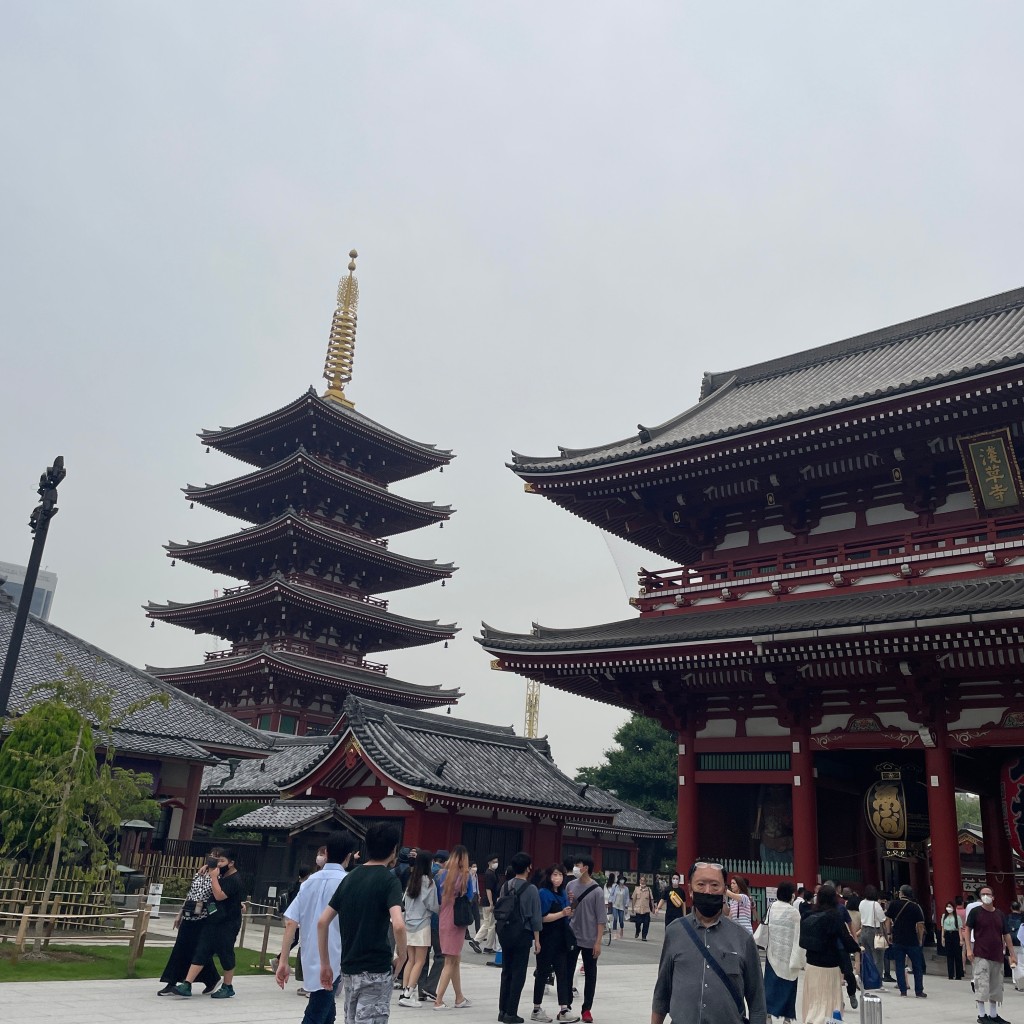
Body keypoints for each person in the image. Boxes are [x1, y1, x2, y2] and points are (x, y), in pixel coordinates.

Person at [652, 860, 766, 1024]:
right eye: (701, 884)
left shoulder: (743, 938)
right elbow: (662, 993)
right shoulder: (674, 932)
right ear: (690, 890)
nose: (708, 891)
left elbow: (757, 1003)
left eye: (714, 885)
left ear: (724, 890)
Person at [317, 822, 406, 1024]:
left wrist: (325, 965)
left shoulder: (350, 877)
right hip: (376, 968)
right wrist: (403, 955)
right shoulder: (389, 880)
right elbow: (398, 924)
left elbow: (322, 922)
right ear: (394, 850)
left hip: (349, 966)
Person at [276, 829, 359, 1024]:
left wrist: (283, 960)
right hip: (335, 956)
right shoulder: (348, 882)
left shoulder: (308, 883)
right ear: (348, 856)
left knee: (325, 1008)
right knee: (317, 1012)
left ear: (326, 853)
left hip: (310, 953)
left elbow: (291, 923)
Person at [175, 847, 245, 1000]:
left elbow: (219, 896)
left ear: (231, 863)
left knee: (225, 953)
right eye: (217, 860)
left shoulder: (235, 879)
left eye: (222, 861)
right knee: (202, 949)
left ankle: (228, 986)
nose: (219, 864)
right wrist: (208, 867)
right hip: (213, 920)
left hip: (228, 923)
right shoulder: (221, 874)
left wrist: (213, 877)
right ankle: (187, 984)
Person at [157, 847, 223, 996]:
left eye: (216, 857)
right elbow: (191, 893)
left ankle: (182, 981)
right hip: (189, 914)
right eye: (211, 855)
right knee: (182, 947)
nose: (212, 858)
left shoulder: (219, 877)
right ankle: (175, 981)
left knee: (196, 950)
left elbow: (218, 897)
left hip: (203, 917)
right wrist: (180, 913)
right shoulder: (199, 873)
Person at [798, 883, 860, 1024]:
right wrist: (856, 948)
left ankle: (811, 1019)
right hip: (830, 965)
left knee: (814, 998)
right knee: (829, 1000)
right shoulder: (835, 916)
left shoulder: (809, 914)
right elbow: (844, 937)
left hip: (812, 964)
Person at [496, 851, 542, 1024]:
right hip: (522, 934)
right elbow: (535, 918)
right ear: (528, 867)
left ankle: (502, 1010)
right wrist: (537, 940)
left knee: (506, 971)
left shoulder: (506, 886)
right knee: (518, 973)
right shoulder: (531, 889)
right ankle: (511, 1012)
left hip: (505, 933)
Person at [531, 863, 578, 1024]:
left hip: (561, 939)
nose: (557, 878)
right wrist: (561, 913)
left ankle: (564, 1008)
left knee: (562, 973)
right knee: (542, 973)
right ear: (549, 876)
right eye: (554, 875)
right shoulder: (543, 893)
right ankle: (536, 1008)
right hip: (547, 938)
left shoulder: (564, 893)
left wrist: (570, 910)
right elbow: (542, 918)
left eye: (560, 875)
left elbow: (567, 917)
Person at [964, 884, 1017, 1024]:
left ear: (993, 897)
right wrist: (969, 948)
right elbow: (967, 929)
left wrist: (1012, 954)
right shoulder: (975, 912)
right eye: (983, 894)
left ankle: (993, 1014)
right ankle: (982, 1015)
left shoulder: (999, 914)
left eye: (988, 894)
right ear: (980, 897)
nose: (986, 896)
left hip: (997, 954)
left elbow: (1006, 934)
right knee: (982, 984)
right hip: (981, 953)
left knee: (996, 986)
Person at [433, 844, 474, 1009]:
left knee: (455, 958)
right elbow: (470, 896)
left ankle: (459, 997)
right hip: (457, 919)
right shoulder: (465, 876)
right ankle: (439, 1000)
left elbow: (437, 896)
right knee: (450, 961)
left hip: (444, 917)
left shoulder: (441, 875)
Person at [566, 857, 605, 1024]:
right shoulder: (570, 885)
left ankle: (586, 1009)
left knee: (590, 975)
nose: (575, 868)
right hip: (573, 935)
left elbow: (601, 919)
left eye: (577, 865)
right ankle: (565, 1005)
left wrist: (598, 942)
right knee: (567, 971)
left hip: (590, 938)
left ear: (586, 868)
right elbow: (567, 909)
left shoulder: (597, 890)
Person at [399, 851, 439, 1007]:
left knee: (411, 960)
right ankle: (409, 994)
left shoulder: (412, 880)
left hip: (409, 923)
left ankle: (404, 992)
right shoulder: (429, 882)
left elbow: (405, 903)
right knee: (420, 961)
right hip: (422, 924)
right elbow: (432, 905)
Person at [763, 882, 802, 1024]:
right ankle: (787, 1018)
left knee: (770, 986)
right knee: (789, 987)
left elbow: (765, 926)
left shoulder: (771, 907)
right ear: (790, 894)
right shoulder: (794, 912)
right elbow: (798, 935)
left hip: (773, 953)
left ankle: (767, 1015)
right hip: (789, 955)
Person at [885, 883, 927, 998]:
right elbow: (920, 925)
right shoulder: (915, 906)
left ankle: (903, 990)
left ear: (901, 893)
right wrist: (919, 939)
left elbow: (887, 919)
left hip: (898, 939)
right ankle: (919, 991)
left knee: (899, 965)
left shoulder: (893, 904)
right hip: (912, 940)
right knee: (917, 966)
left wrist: (889, 933)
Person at [857, 885, 886, 983]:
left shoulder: (861, 903)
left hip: (864, 929)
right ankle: (877, 979)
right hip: (874, 930)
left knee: (867, 956)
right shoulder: (875, 904)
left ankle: (867, 977)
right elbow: (882, 918)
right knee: (878, 956)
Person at [941, 898, 965, 980]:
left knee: (957, 955)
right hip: (947, 935)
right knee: (949, 955)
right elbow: (943, 928)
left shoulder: (957, 917)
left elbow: (959, 929)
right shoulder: (944, 916)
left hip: (955, 935)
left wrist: (961, 939)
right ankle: (950, 974)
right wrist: (942, 937)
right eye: (947, 906)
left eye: (950, 906)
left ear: (953, 908)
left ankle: (958, 975)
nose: (948, 908)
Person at [631, 875, 656, 941]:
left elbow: (652, 899)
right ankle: (637, 931)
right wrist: (632, 908)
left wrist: (653, 908)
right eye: (641, 880)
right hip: (638, 909)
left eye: (644, 880)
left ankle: (644, 936)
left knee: (646, 924)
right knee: (638, 923)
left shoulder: (648, 890)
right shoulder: (636, 889)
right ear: (639, 881)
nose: (642, 882)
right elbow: (634, 899)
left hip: (646, 909)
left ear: (646, 882)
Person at [610, 875, 629, 940]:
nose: (622, 881)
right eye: (621, 879)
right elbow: (612, 894)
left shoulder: (626, 889)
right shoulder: (615, 886)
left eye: (623, 880)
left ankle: (621, 929)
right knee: (615, 918)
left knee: (621, 920)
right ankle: (615, 933)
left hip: (622, 906)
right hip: (615, 905)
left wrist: (626, 906)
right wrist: (610, 901)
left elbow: (627, 898)